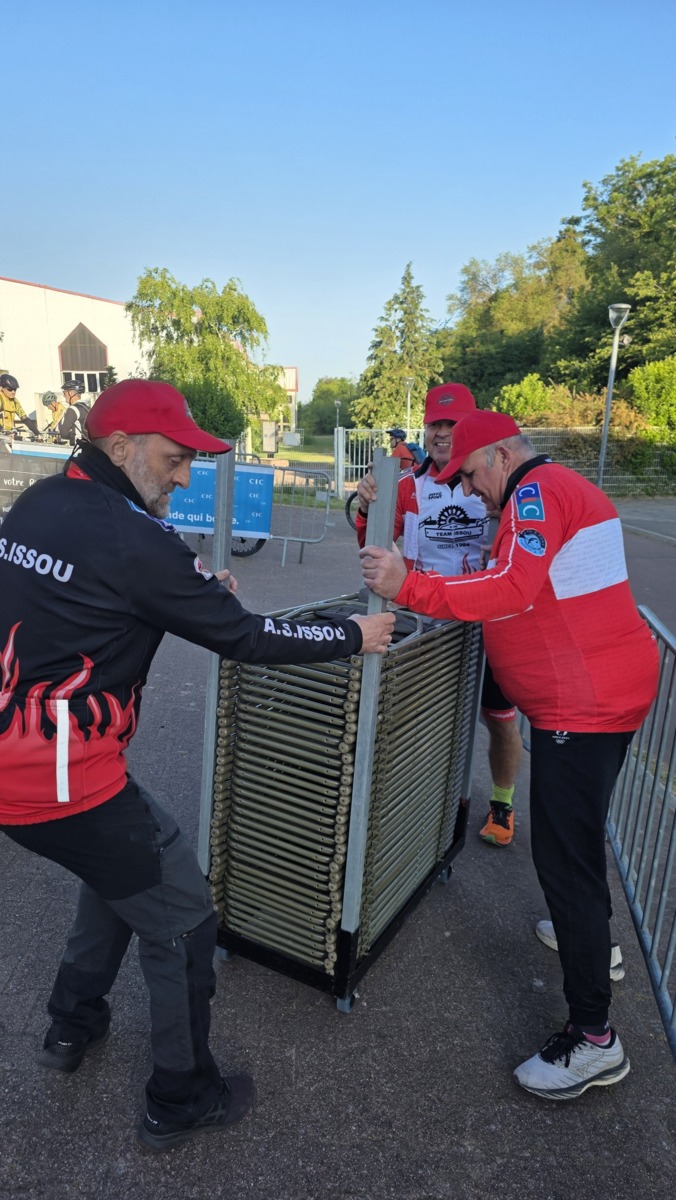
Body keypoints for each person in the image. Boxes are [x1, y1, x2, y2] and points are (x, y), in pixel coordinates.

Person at [0, 378, 395, 1151]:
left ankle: (70, 1024)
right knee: (182, 919)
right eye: (174, 458)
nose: (184, 477)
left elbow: (80, 599)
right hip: (61, 780)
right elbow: (246, 637)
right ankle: (180, 1097)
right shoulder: (134, 538)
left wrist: (184, 591)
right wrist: (354, 635)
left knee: (124, 876)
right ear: (121, 447)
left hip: (23, 760)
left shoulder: (41, 502)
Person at [360, 408, 659, 1101]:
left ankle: (594, 1040)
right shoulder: (550, 488)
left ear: (498, 454)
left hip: (582, 706)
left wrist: (409, 588)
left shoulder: (534, 491)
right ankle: (596, 942)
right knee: (578, 842)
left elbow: (513, 589)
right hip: (596, 694)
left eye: (469, 474)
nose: (468, 491)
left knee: (564, 860)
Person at [356, 384, 522, 846]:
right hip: (424, 623)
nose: (443, 433)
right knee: (417, 712)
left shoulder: (497, 481)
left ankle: (503, 802)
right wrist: (367, 507)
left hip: (485, 622)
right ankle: (421, 797)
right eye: (435, 425)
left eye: (454, 424)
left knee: (498, 717)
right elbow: (374, 547)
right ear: (425, 430)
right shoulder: (407, 485)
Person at [55, 379, 90, 445]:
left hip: (78, 446)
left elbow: (64, 433)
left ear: (71, 393)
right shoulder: (87, 408)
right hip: (89, 446)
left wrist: (73, 434)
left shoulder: (72, 409)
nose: (63, 395)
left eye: (64, 393)